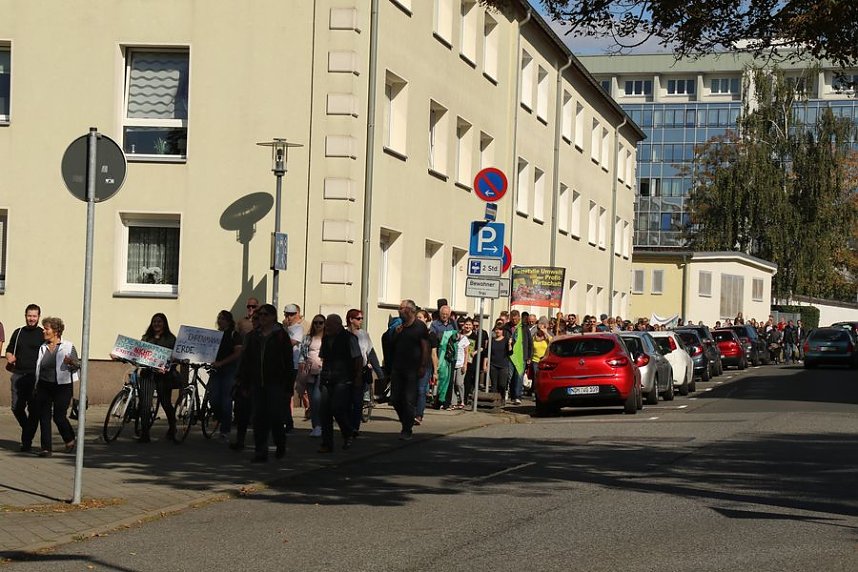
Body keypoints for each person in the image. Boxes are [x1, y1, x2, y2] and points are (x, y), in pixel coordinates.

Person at [235, 304, 294, 462]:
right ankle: (260, 451)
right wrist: (243, 381)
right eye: (260, 314)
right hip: (257, 383)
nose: (262, 317)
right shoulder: (253, 336)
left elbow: (288, 362)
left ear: (273, 317)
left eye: (265, 314)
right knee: (258, 418)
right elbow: (246, 360)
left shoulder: (281, 336)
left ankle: (280, 443)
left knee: (275, 417)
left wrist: (289, 386)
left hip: (275, 383)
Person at [22, 317, 79, 456]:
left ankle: (69, 439)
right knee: (44, 417)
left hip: (62, 386)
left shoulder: (68, 346)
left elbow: (78, 365)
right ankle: (46, 448)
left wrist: (71, 362)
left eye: (47, 329)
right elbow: (38, 368)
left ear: (56, 331)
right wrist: (36, 385)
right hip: (44, 385)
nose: (44, 331)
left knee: (59, 417)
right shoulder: (43, 347)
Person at [317, 314, 362, 453]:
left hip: (343, 379)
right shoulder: (325, 339)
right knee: (324, 411)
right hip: (327, 378)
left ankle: (348, 432)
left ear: (338, 325)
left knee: (338, 408)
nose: (327, 328)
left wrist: (358, 377)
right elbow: (324, 358)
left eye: (329, 325)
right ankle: (327, 443)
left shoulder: (349, 338)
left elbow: (357, 358)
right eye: (326, 325)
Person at [5, 304, 44, 450]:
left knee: (34, 410)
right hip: (18, 374)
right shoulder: (19, 332)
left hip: (35, 377)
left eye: (34, 316)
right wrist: (10, 357)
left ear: (38, 317)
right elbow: (9, 350)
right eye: (29, 316)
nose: (31, 319)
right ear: (25, 316)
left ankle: (26, 442)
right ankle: (27, 428)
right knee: (16, 407)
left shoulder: (42, 334)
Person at [389, 299, 430, 440]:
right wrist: (396, 334)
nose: (398, 311)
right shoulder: (400, 327)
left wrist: (423, 365)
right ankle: (406, 420)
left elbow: (425, 347)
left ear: (408, 310)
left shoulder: (420, 327)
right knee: (394, 399)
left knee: (408, 400)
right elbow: (392, 346)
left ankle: (407, 429)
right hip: (397, 368)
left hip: (412, 369)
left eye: (400, 308)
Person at [138, 313, 179, 443]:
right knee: (145, 403)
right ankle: (145, 432)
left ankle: (173, 428)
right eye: (154, 321)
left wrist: (167, 367)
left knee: (166, 403)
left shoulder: (171, 339)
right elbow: (138, 352)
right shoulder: (146, 337)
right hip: (147, 374)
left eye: (159, 322)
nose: (157, 324)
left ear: (164, 324)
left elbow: (175, 358)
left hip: (164, 376)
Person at [345, 308, 383, 436]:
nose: (361, 321)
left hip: (361, 371)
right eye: (358, 318)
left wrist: (380, 373)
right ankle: (348, 424)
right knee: (347, 400)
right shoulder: (344, 335)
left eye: (361, 318)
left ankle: (354, 427)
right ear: (351, 320)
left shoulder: (364, 335)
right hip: (346, 371)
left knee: (357, 401)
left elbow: (371, 353)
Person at [209, 310, 243, 441]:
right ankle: (220, 417)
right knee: (213, 398)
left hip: (229, 369)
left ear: (228, 320)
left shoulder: (234, 335)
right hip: (216, 369)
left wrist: (222, 362)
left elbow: (238, 353)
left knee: (226, 399)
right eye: (218, 318)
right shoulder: (215, 335)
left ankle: (225, 430)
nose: (220, 320)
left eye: (222, 318)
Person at [297, 314, 325, 437]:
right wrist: (301, 365)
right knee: (312, 401)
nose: (318, 325)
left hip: (322, 371)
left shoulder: (327, 338)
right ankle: (315, 426)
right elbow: (303, 354)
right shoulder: (308, 338)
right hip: (309, 371)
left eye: (320, 323)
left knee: (317, 398)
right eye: (316, 323)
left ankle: (320, 426)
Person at [282, 303, 304, 433]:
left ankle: (288, 422)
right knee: (284, 393)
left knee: (287, 393)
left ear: (297, 314)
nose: (289, 317)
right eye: (286, 314)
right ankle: (286, 420)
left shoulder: (298, 328)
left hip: (293, 364)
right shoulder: (285, 328)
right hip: (283, 364)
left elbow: (292, 343)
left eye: (291, 314)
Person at [505, 310, 532, 405]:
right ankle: (512, 395)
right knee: (510, 377)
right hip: (510, 356)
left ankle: (517, 396)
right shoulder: (506, 327)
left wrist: (529, 356)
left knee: (519, 376)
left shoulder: (524, 328)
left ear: (519, 318)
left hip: (521, 356)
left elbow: (529, 342)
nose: (514, 320)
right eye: (512, 318)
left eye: (516, 318)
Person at [414, 310, 435, 425]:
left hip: (425, 366)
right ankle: (412, 413)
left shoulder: (430, 334)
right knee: (412, 390)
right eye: (417, 317)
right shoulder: (412, 332)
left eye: (420, 317)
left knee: (421, 390)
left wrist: (436, 370)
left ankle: (419, 415)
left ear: (426, 319)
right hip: (412, 365)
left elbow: (433, 353)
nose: (418, 319)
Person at [486, 321, 512, 402]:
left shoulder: (506, 340)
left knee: (502, 384)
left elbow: (510, 353)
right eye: (496, 329)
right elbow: (487, 353)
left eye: (500, 330)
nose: (498, 331)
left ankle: (502, 399)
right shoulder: (492, 341)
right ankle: (494, 401)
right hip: (493, 365)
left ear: (502, 331)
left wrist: (510, 345)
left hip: (503, 365)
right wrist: (485, 365)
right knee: (494, 385)